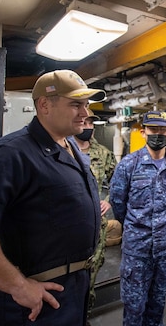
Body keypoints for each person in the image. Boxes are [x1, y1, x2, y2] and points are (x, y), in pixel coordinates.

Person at [0, 69, 106, 325]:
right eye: (76, 104)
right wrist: (18, 286)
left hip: (74, 289)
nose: (85, 113)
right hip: (36, 302)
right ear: (44, 105)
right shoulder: (11, 154)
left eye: (85, 105)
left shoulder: (70, 146)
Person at [109, 110, 166, 326]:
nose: (158, 134)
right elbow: (118, 203)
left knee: (158, 304)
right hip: (137, 251)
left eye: (163, 130)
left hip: (164, 251)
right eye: (153, 129)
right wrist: (137, 227)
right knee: (134, 308)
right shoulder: (129, 164)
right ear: (143, 132)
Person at [73, 109, 118, 317]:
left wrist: (107, 201)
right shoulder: (62, 149)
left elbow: (116, 181)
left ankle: (85, 314)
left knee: (92, 270)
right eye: (85, 122)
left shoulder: (103, 152)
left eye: (92, 123)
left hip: (95, 224)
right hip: (68, 225)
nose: (88, 126)